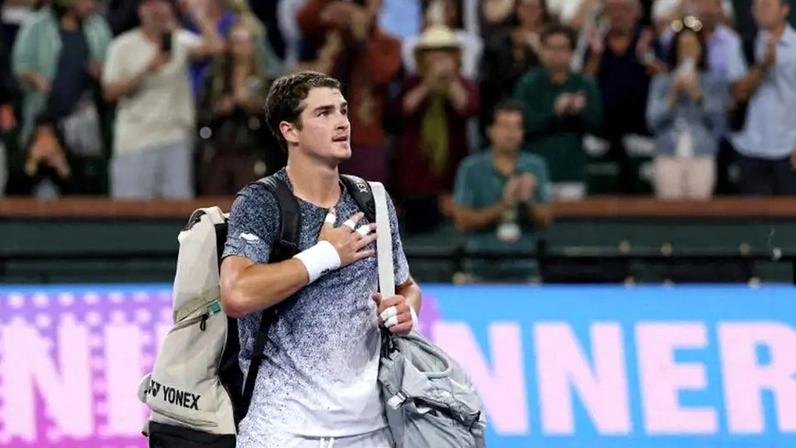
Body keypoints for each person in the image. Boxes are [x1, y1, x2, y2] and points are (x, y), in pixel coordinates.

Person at [220, 71, 422, 447]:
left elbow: (406, 287)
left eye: (343, 111)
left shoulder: (373, 199)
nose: (342, 122)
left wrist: (405, 309)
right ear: (290, 131)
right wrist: (326, 255)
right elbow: (236, 295)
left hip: (372, 430)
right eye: (324, 113)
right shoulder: (261, 202)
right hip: (281, 430)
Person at [101, 0, 223, 198]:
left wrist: (197, 14)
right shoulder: (122, 45)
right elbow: (109, 92)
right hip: (135, 141)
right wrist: (145, 71)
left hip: (175, 137)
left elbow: (216, 47)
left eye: (163, 4)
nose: (158, 9)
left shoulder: (179, 40)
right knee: (131, 213)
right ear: (141, 10)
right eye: (152, 5)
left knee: (178, 214)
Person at [453, 100, 553, 282]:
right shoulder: (471, 168)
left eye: (517, 127)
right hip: (479, 270)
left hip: (525, 268)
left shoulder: (536, 166)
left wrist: (526, 202)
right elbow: (462, 221)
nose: (511, 133)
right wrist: (504, 205)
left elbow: (545, 220)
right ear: (490, 130)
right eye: (505, 126)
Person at [514, 24, 602, 199]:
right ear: (541, 51)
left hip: (571, 172)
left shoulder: (584, 84)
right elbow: (522, 125)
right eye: (550, 48)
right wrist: (554, 113)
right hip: (535, 171)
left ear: (572, 52)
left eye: (562, 48)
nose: (556, 54)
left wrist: (579, 113)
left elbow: (598, 125)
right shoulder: (528, 84)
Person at [646, 19, 725, 199]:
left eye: (692, 46)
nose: (687, 52)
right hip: (667, 155)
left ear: (701, 49)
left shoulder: (713, 81)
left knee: (700, 214)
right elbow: (652, 121)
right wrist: (673, 94)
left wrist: (698, 96)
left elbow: (719, 123)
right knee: (668, 214)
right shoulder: (662, 82)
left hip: (702, 155)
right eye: (683, 47)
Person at [726, 0, 796, 195]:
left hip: (788, 149)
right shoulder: (742, 45)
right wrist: (762, 66)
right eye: (756, 6)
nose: (759, 11)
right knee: (755, 221)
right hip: (750, 147)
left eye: (766, 5)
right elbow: (739, 93)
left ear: (784, 10)